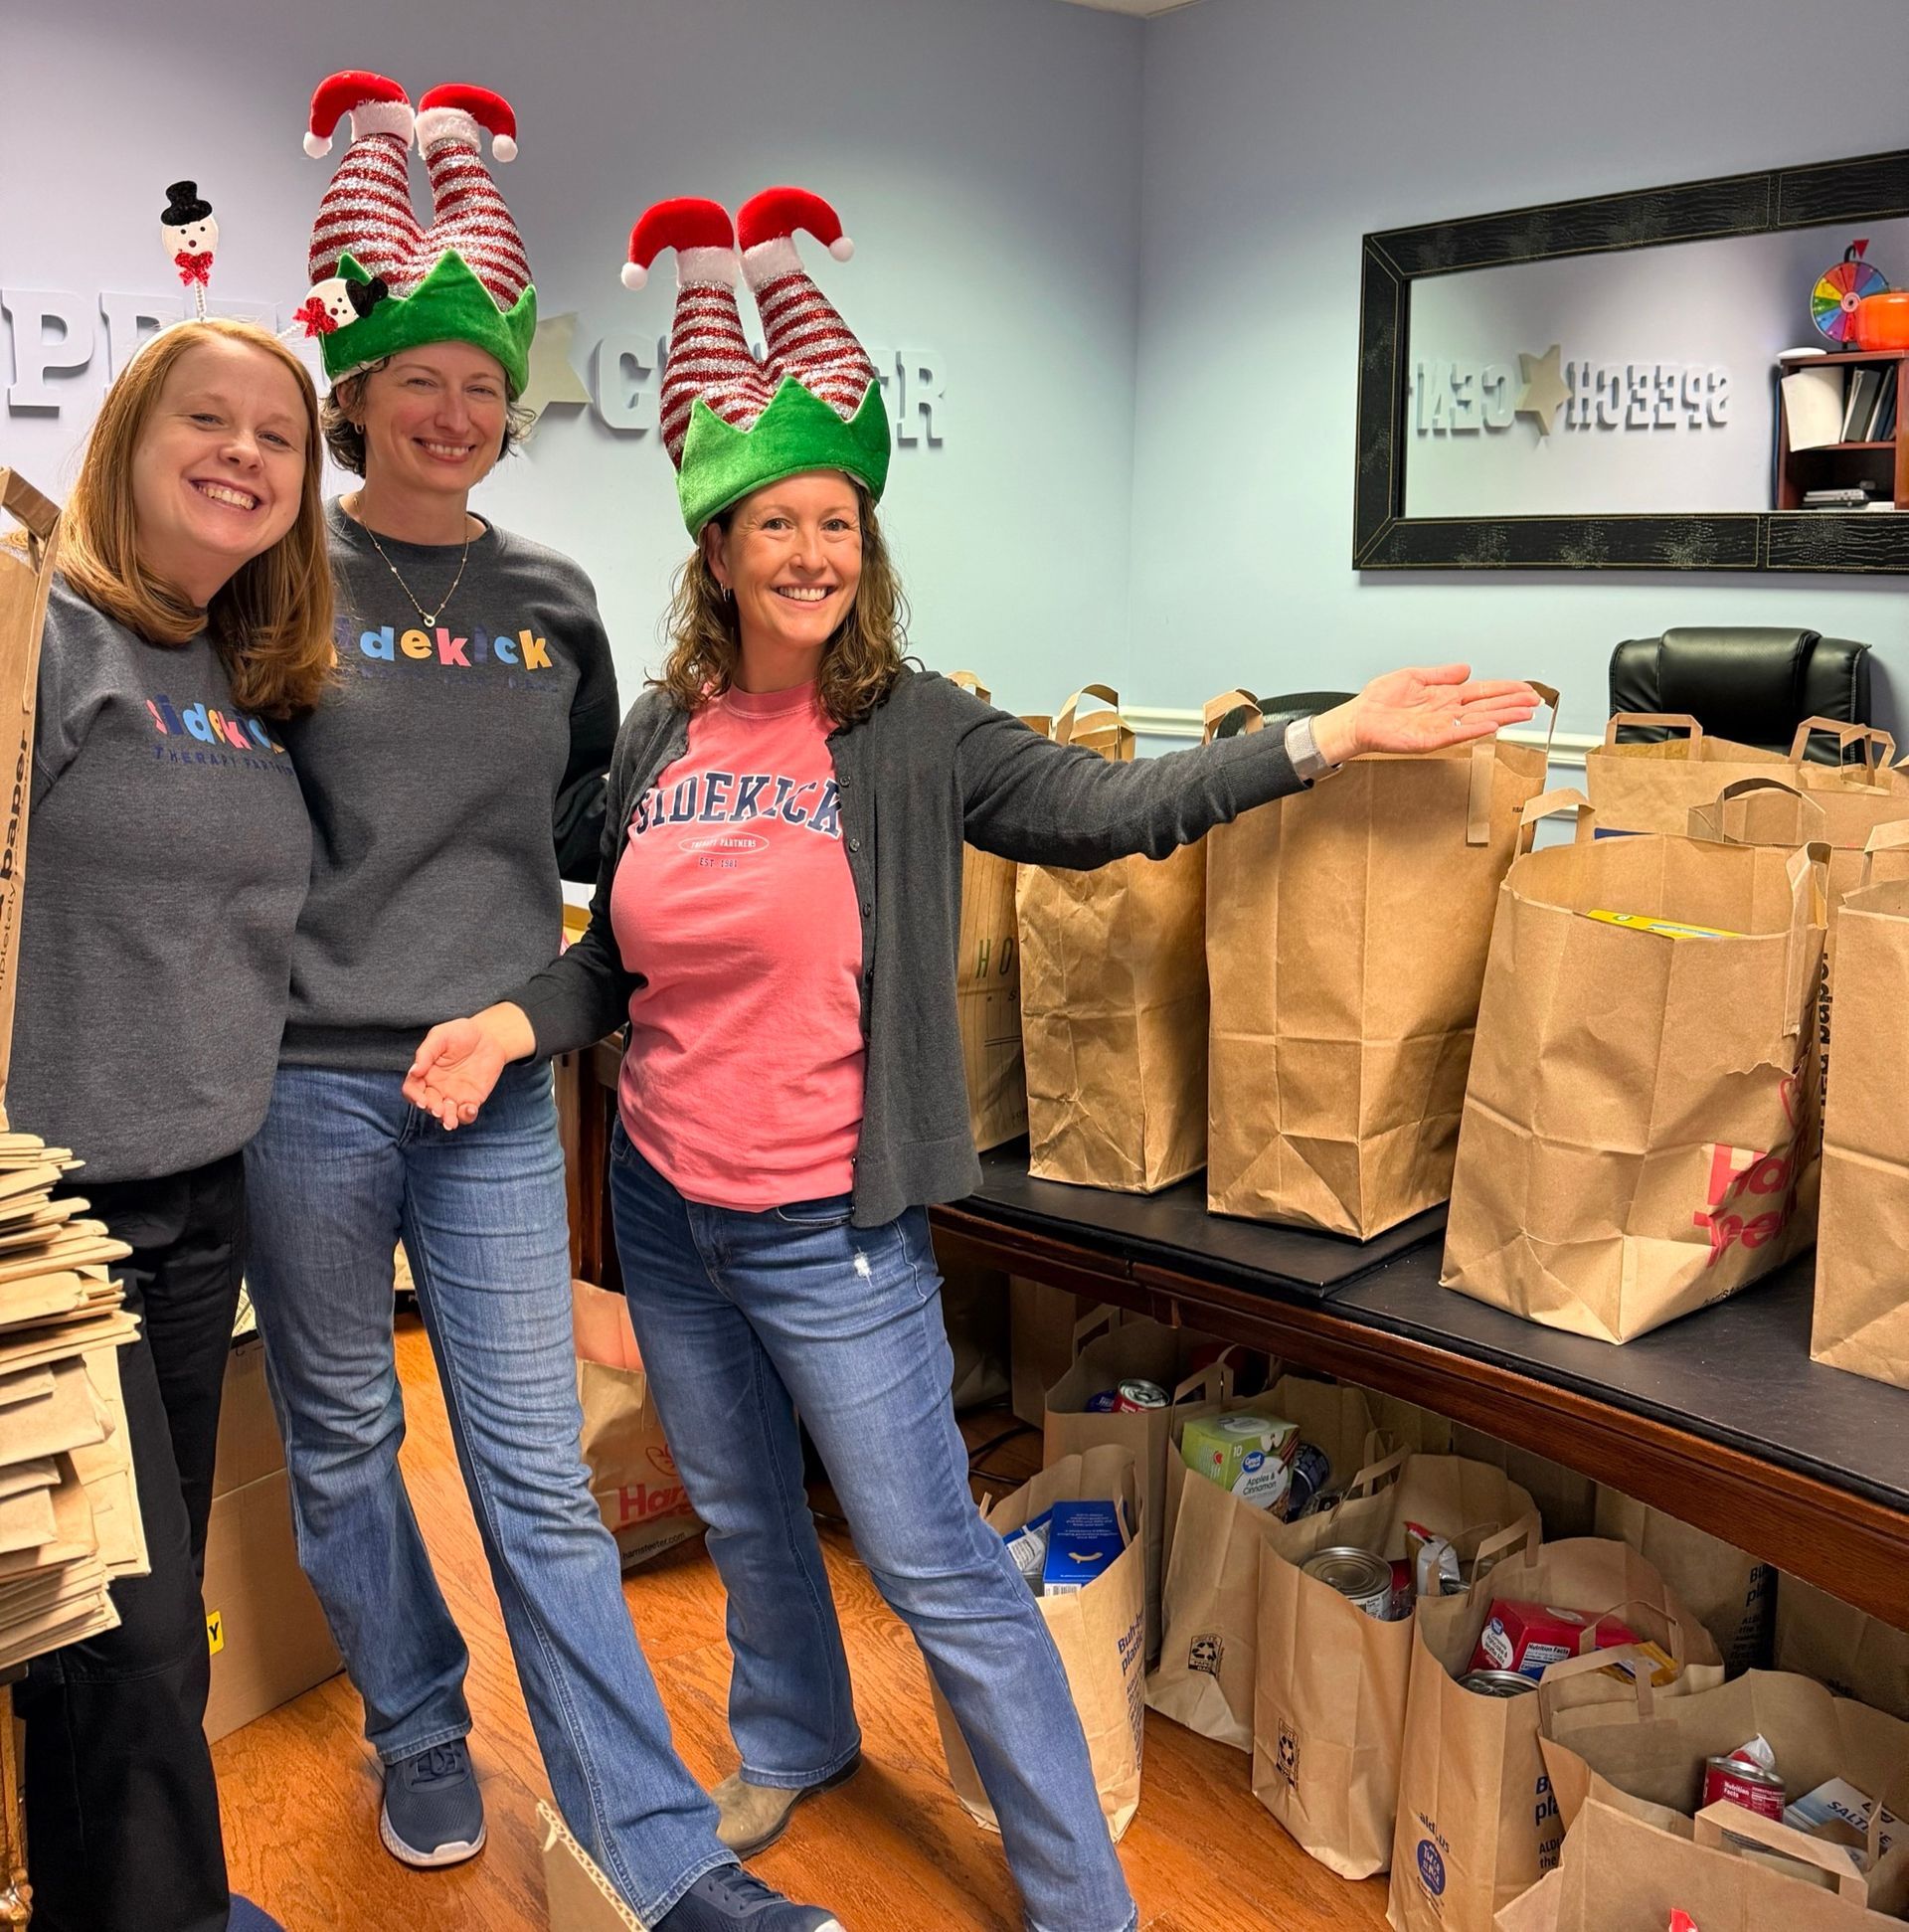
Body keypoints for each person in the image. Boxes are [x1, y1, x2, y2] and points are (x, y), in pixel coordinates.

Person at [407, 186, 1542, 1932]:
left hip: (832, 1226)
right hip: (668, 1201)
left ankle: (1085, 1899)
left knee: (938, 1562)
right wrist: (512, 1015)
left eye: (836, 521)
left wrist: (1322, 738)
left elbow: (1114, 810)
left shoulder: (914, 728)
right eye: (773, 522)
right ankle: (793, 1732)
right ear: (715, 547)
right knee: (736, 1500)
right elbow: (621, 970)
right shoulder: (658, 729)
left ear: (866, 539)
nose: (808, 552)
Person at [243, 74, 842, 1932]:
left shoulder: (556, 597)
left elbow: (601, 816)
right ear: (358, 397)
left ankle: (658, 1864)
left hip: (496, 1075)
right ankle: (418, 1733)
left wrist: (788, 802)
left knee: (530, 1470)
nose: (455, 412)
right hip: (308, 1088)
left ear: (515, 402)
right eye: (422, 380)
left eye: (485, 386)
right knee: (343, 1438)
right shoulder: (276, 574)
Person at [10, 309, 331, 1932]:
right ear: (128, 440)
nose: (243, 454)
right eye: (205, 421)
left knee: (126, 1622)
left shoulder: (240, 675)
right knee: (125, 1641)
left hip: (200, 1209)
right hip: (46, 1231)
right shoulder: (45, 636)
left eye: (277, 437)